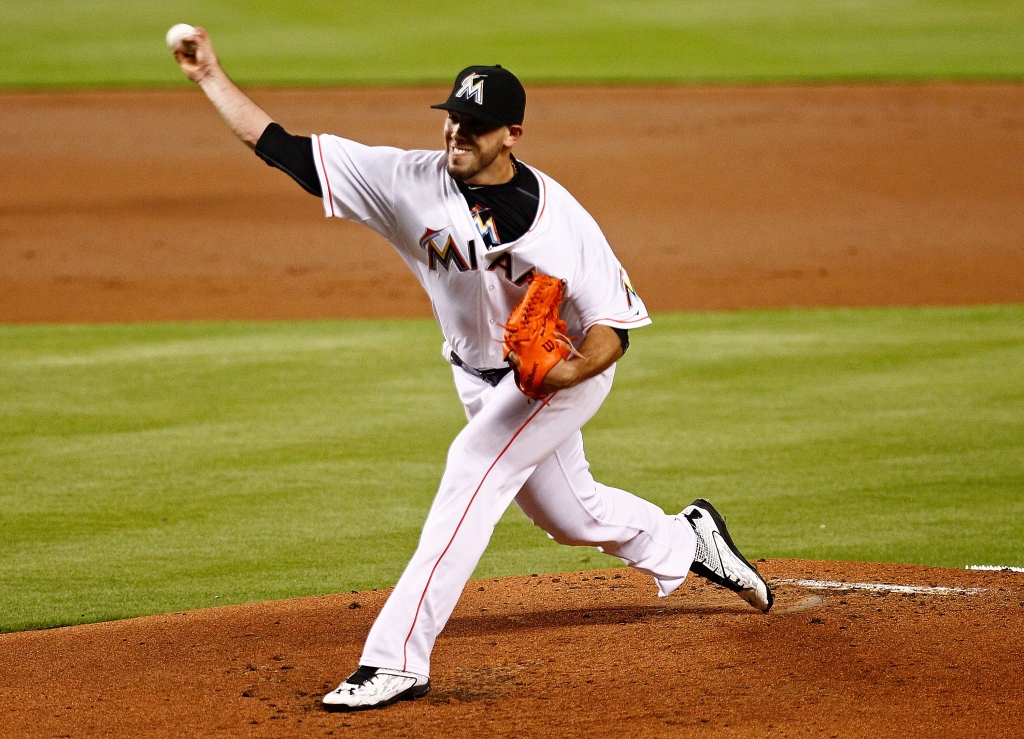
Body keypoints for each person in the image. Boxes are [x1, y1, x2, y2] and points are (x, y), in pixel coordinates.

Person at [172, 28, 774, 713]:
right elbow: (283, 149)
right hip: (475, 375)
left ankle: (396, 658)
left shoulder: (561, 222)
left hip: (553, 381)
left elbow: (614, 329)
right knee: (570, 515)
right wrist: (210, 77)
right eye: (454, 117)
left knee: (472, 470)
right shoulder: (407, 180)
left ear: (511, 134)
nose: (458, 132)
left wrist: (568, 375)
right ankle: (686, 537)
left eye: (476, 125)